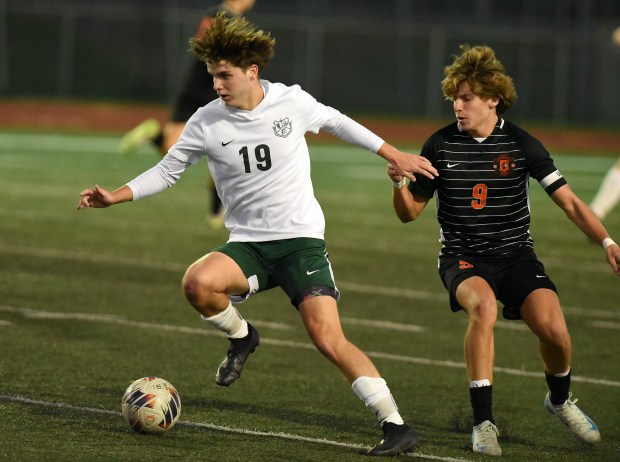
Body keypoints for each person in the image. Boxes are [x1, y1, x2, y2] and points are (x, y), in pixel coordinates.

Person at [78, 12, 438, 456]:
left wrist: (393, 153)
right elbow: (167, 171)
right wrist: (116, 196)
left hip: (300, 242)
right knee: (197, 283)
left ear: (252, 71)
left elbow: (338, 122)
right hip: (248, 244)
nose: (216, 85)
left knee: (327, 338)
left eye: (224, 75)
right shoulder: (206, 121)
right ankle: (242, 336)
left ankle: (396, 425)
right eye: (212, 76)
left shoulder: (291, 101)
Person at [387, 44, 618, 456]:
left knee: (555, 332)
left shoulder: (521, 145)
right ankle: (483, 423)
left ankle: (560, 400)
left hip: (516, 255)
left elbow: (571, 203)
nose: (458, 106)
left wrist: (606, 240)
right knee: (484, 310)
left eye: (467, 98)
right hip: (462, 256)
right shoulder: (439, 146)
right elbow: (409, 215)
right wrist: (399, 184)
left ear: (493, 99)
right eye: (455, 98)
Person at [120, 0, 257, 229]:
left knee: (205, 150)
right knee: (212, 151)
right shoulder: (222, 16)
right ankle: (215, 210)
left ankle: (215, 210)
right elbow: (211, 49)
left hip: (200, 88)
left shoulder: (226, 17)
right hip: (212, 90)